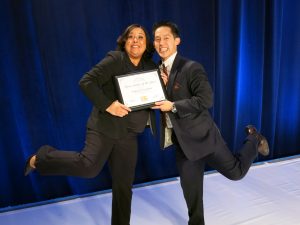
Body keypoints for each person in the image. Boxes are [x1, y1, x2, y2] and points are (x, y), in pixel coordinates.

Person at [24, 24, 157, 225]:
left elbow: (155, 92)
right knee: (88, 168)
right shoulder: (115, 59)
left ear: (147, 44)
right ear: (125, 41)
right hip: (104, 127)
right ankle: (40, 158)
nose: (136, 40)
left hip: (128, 135)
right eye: (131, 37)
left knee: (123, 186)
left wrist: (162, 83)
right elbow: (86, 82)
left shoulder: (150, 67)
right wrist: (109, 105)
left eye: (140, 37)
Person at [152, 21, 269, 225]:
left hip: (204, 137)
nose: (161, 43)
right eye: (157, 39)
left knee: (236, 173)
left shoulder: (191, 67)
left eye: (166, 38)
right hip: (183, 144)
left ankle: (254, 138)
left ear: (177, 41)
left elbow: (206, 100)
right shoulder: (153, 72)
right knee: (191, 192)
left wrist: (172, 106)